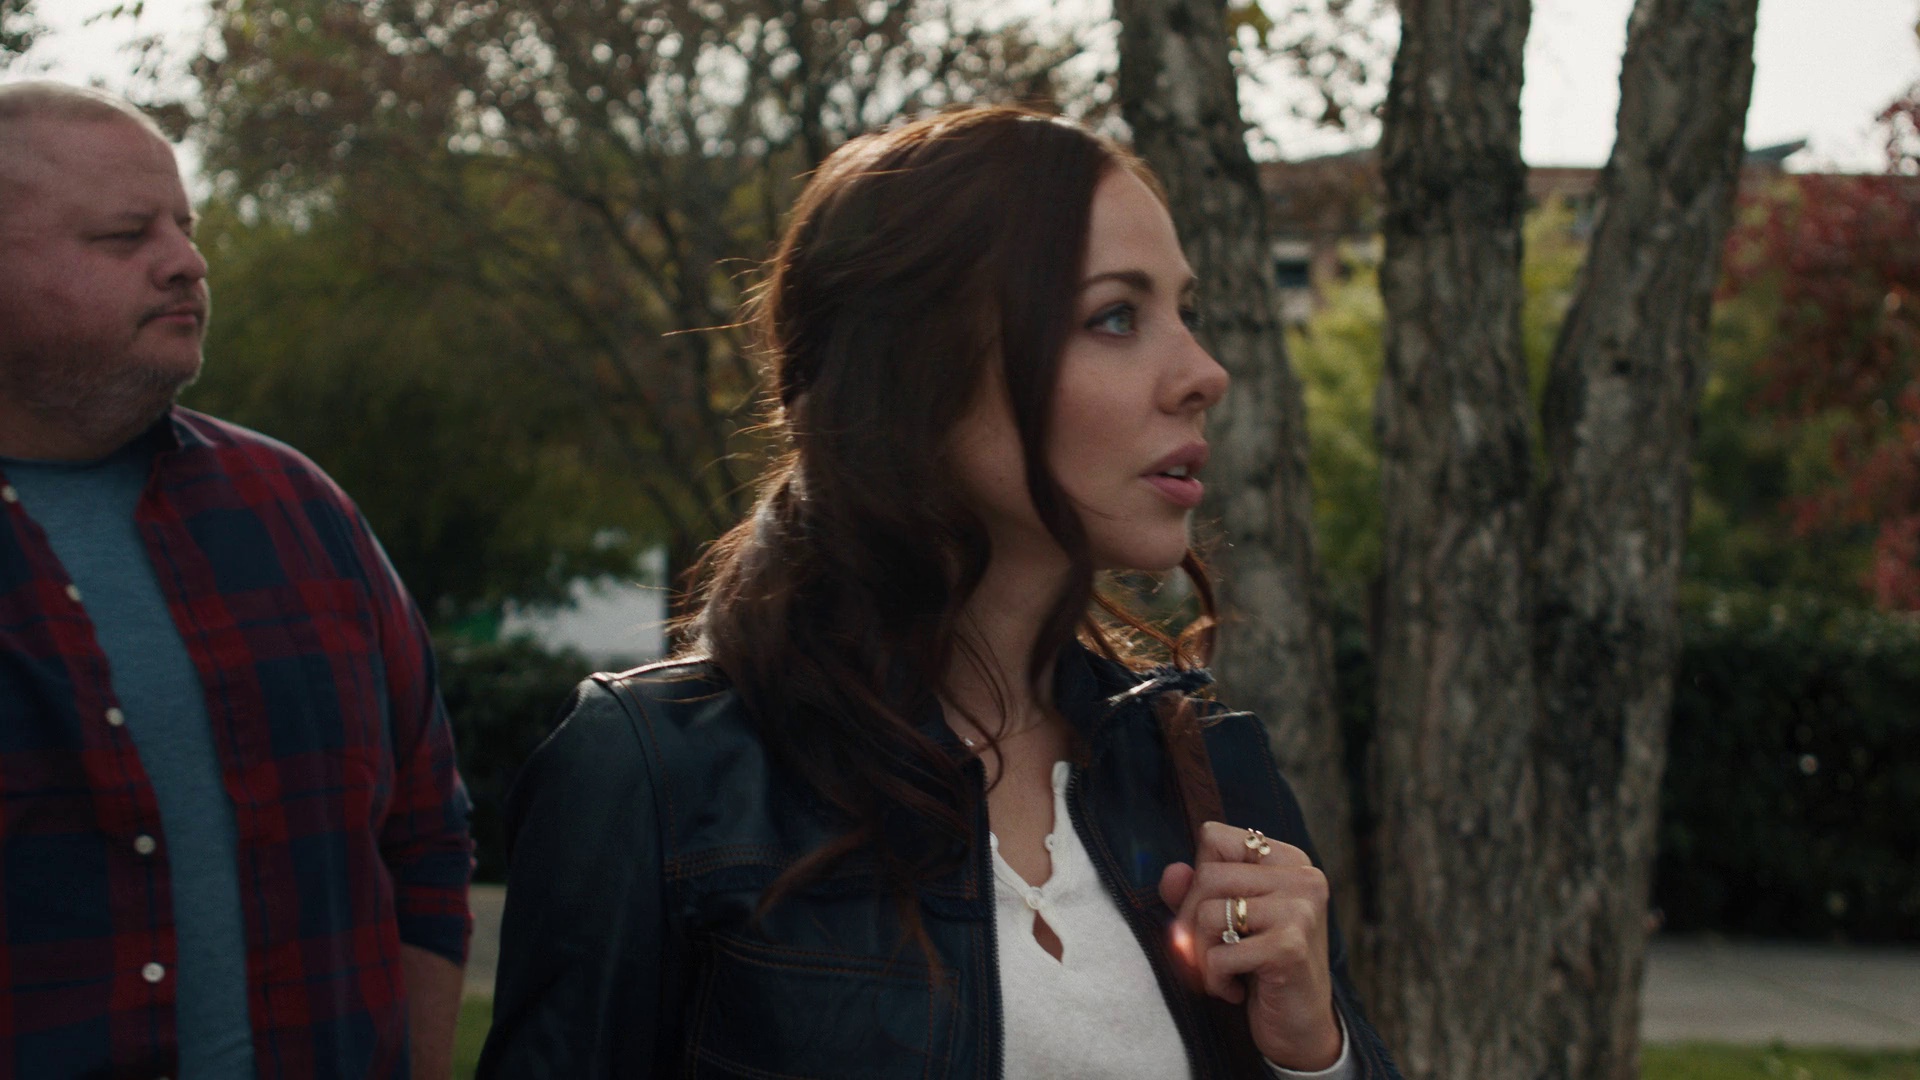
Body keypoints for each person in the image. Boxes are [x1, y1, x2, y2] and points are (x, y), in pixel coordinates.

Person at [479, 106, 1399, 1078]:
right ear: (917, 371)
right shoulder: (658, 779)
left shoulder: (1201, 770)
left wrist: (1314, 1054)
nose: (1204, 374)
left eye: (1186, 312)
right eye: (1115, 317)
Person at [0, 81, 472, 1079]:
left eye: (186, 225)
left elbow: (426, 835)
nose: (187, 261)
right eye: (127, 235)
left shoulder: (296, 510)